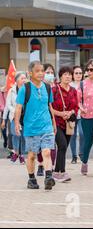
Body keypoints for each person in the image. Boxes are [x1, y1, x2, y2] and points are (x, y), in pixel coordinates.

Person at [14, 61, 57, 190]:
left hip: (46, 126)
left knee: (47, 152)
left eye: (42, 71)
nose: (41, 73)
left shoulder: (48, 88)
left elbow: (49, 107)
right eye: (37, 71)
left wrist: (54, 123)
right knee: (32, 155)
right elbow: (18, 108)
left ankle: (48, 177)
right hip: (31, 127)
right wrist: (16, 123)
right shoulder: (25, 89)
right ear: (30, 73)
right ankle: (32, 179)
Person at [51, 67, 79, 183]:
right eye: (65, 74)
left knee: (63, 148)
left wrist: (70, 113)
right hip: (56, 122)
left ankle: (56, 172)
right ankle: (62, 172)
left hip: (69, 123)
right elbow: (50, 107)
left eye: (69, 74)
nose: (68, 76)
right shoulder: (54, 90)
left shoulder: (73, 90)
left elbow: (76, 106)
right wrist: (61, 113)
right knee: (62, 145)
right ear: (60, 76)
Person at [36, 63, 57, 176]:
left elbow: (53, 106)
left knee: (51, 145)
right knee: (40, 145)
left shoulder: (56, 87)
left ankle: (50, 167)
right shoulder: (39, 87)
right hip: (40, 120)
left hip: (54, 118)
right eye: (47, 72)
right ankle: (40, 164)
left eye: (51, 72)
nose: (49, 74)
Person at [2, 72, 28, 164]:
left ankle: (20, 154)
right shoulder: (11, 90)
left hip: (25, 116)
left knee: (23, 136)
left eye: (25, 78)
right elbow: (7, 105)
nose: (24, 80)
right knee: (16, 135)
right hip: (14, 116)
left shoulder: (27, 90)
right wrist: (4, 119)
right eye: (22, 78)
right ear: (17, 80)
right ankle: (17, 153)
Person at [69, 66, 85, 164]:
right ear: (73, 74)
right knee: (72, 135)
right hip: (72, 114)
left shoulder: (85, 84)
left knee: (82, 134)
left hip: (82, 114)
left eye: (80, 73)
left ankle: (81, 153)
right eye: (76, 73)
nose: (78, 75)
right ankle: (74, 156)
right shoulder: (70, 85)